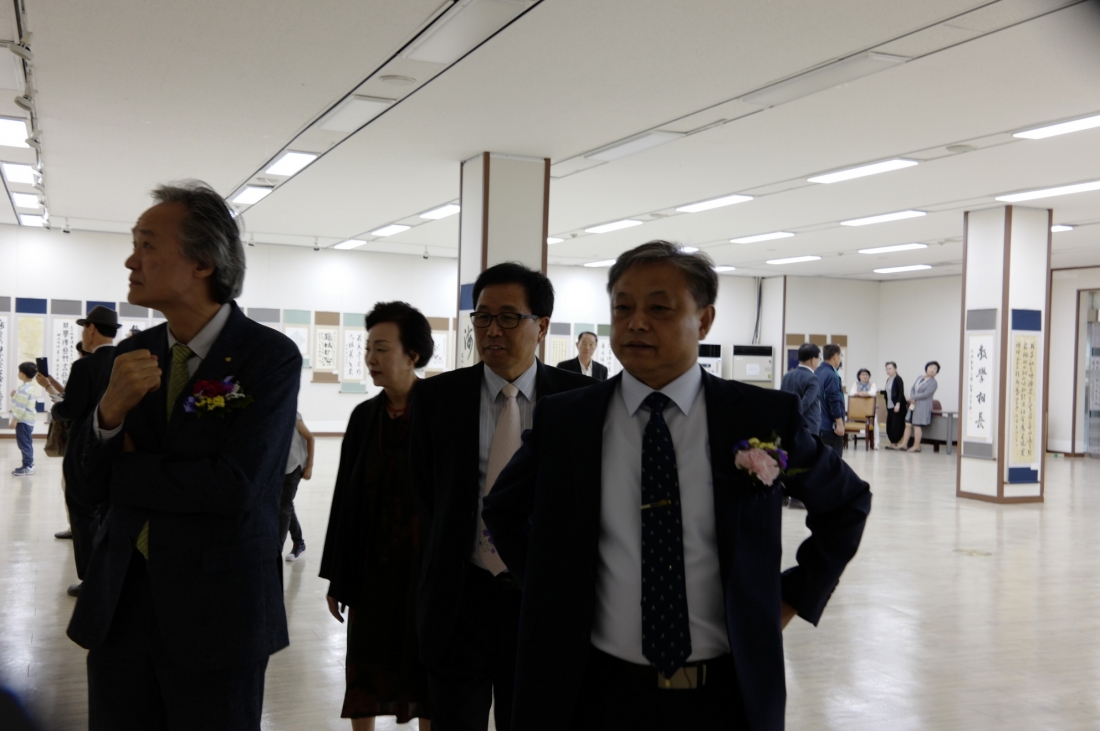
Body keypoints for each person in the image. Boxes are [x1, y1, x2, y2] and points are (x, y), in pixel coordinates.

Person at [483, 241, 871, 731]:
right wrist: (554, 592)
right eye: (623, 308)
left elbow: (846, 502)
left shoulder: (759, 418)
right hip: (593, 693)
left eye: (659, 308)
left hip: (726, 696)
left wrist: (792, 596)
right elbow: (502, 509)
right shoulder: (568, 419)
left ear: (704, 320)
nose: (636, 323)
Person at [64, 181, 301, 730]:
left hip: (219, 613)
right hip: (121, 603)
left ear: (202, 262)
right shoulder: (131, 354)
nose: (131, 260)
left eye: (147, 245)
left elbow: (236, 485)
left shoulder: (268, 357)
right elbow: (83, 486)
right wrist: (109, 415)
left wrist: (127, 469)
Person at [409, 262, 593, 731]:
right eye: (483, 317)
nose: (492, 330)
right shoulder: (437, 399)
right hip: (459, 602)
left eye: (509, 317)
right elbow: (426, 498)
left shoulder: (582, 401)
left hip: (540, 603)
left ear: (542, 326)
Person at [321, 301, 436, 730]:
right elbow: (344, 500)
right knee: (365, 670)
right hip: (372, 572)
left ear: (413, 355)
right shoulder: (364, 417)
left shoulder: (439, 413)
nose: (370, 358)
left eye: (382, 349)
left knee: (425, 674)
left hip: (424, 572)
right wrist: (338, 576)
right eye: (368, 348)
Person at [45, 305, 121, 597]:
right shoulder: (124, 360)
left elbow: (73, 409)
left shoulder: (85, 366)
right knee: (111, 511)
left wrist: (56, 408)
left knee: (82, 512)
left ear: (91, 329)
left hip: (85, 448)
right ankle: (112, 574)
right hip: (120, 447)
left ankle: (91, 579)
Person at [779, 343, 822, 510]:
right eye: (818, 358)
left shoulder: (787, 376)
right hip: (807, 425)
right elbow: (805, 404)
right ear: (812, 360)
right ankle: (797, 498)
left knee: (788, 459)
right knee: (805, 461)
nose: (818, 361)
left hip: (788, 424)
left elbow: (783, 400)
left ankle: (783, 495)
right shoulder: (812, 378)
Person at [282, 412, 314, 562]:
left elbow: (310, 438)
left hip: (294, 467)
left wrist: (309, 466)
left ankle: (280, 548)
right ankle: (299, 542)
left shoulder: (292, 415)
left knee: (284, 507)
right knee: (285, 505)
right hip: (278, 469)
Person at [899, 361, 940, 453]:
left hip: (923, 405)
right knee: (908, 424)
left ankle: (916, 446)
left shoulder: (933, 383)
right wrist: (912, 397)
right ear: (926, 368)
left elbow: (926, 394)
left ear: (937, 372)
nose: (932, 370)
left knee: (917, 425)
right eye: (931, 367)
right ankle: (904, 444)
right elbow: (913, 388)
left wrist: (913, 397)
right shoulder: (920, 377)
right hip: (913, 404)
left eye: (935, 369)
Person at [815, 344, 846, 457]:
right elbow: (834, 400)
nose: (840, 359)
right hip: (830, 427)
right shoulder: (831, 375)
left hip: (819, 424)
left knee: (820, 459)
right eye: (840, 356)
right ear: (835, 356)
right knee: (834, 461)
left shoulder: (817, 372)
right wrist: (839, 423)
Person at [9, 362, 37, 476]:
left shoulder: (24, 390)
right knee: (26, 443)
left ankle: (28, 466)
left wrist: (14, 420)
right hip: (28, 420)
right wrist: (14, 395)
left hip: (23, 421)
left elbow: (21, 406)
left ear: (22, 374)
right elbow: (22, 401)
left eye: (19, 371)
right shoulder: (28, 387)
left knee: (24, 444)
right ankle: (28, 465)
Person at [882, 362, 906, 450]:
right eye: (887, 369)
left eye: (890, 368)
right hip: (890, 406)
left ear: (895, 369)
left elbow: (901, 392)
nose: (888, 370)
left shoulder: (898, 379)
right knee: (890, 424)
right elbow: (888, 393)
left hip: (897, 405)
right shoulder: (888, 379)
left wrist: (898, 404)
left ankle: (895, 442)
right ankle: (892, 442)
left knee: (896, 424)